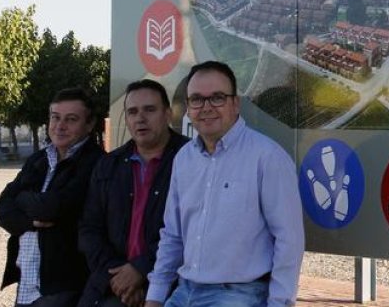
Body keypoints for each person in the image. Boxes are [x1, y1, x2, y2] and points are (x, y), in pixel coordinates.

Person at [146, 61, 304, 307]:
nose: (206, 107)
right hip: (184, 291)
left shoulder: (267, 157)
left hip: (239, 295)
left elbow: (289, 240)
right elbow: (172, 235)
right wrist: (155, 296)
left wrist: (280, 303)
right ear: (188, 107)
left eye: (217, 98)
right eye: (197, 99)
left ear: (235, 103)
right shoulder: (184, 159)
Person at [77, 80, 188, 307]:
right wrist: (120, 277)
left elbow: (193, 232)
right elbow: (89, 229)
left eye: (150, 110)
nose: (140, 118)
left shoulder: (191, 160)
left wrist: (140, 270)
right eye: (133, 112)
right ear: (126, 118)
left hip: (173, 289)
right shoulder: (108, 165)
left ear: (168, 114)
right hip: (110, 285)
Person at [0, 87, 105, 307]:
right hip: (27, 282)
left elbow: (52, 208)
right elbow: (1, 208)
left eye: (71, 119)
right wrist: (29, 220)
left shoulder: (96, 163)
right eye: (55, 118)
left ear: (89, 124)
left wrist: (22, 199)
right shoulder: (39, 160)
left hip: (63, 285)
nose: (60, 126)